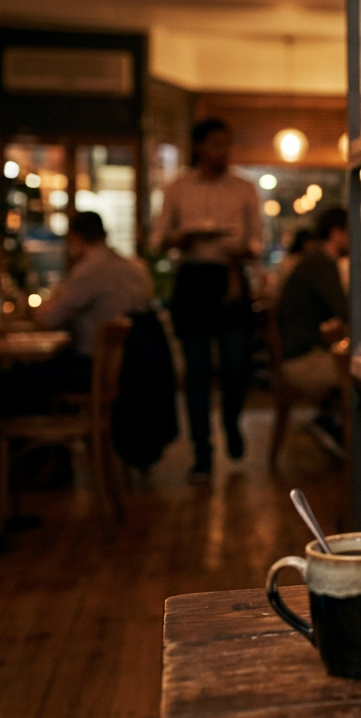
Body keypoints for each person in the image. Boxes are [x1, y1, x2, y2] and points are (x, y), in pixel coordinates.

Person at [152, 119, 261, 480]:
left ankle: (231, 422)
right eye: (215, 144)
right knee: (197, 373)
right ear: (198, 147)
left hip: (230, 276)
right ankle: (202, 452)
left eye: (226, 144)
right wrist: (179, 239)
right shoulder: (177, 188)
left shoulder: (244, 188)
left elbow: (258, 240)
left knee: (236, 365)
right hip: (193, 279)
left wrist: (245, 249)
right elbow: (157, 240)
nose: (222, 152)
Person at [32, 211, 152, 391]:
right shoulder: (131, 266)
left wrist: (43, 306)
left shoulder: (89, 269)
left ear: (75, 238)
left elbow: (50, 319)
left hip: (93, 369)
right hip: (133, 370)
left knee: (18, 377)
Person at [277, 207, 348, 404]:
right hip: (303, 361)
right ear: (336, 233)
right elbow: (345, 311)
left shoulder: (317, 259)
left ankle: (335, 425)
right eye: (351, 232)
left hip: (302, 354)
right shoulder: (321, 263)